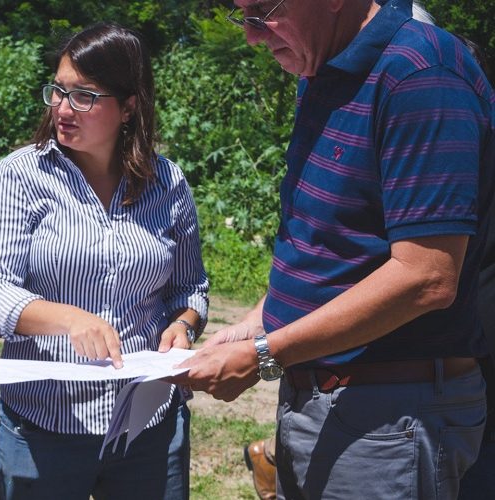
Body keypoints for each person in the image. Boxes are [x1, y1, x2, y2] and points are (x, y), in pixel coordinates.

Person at [176, 0, 495, 498]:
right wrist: (252, 325)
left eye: (262, 11)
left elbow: (426, 277)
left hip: (390, 418)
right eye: (245, 14)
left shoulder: (421, 74)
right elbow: (328, 246)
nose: (253, 37)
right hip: (318, 404)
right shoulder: (321, 70)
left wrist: (262, 355)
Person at [0, 22, 209, 500]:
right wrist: (67, 318)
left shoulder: (168, 182)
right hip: (44, 422)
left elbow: (190, 288)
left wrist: (185, 324)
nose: (62, 107)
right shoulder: (20, 175)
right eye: (58, 91)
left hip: (148, 422)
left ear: (129, 106)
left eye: (84, 95)